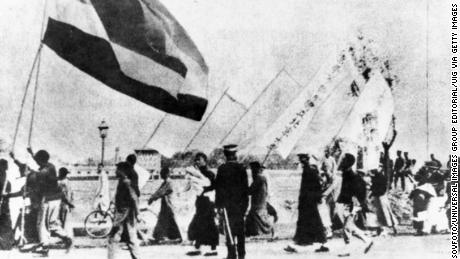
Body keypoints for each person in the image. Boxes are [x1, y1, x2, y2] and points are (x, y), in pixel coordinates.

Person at [11, 148, 72, 256]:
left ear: (41, 161)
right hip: (57, 199)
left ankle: (44, 246)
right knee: (53, 223)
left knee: (41, 224)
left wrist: (27, 193)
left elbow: (37, 189)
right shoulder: (51, 166)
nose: (36, 162)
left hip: (47, 200)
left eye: (37, 160)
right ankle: (66, 237)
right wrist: (29, 154)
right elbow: (38, 160)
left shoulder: (40, 174)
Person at [285, 153, 328, 253]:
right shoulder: (309, 170)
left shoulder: (308, 171)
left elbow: (312, 187)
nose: (300, 161)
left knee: (305, 223)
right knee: (314, 222)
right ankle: (322, 243)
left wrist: (312, 199)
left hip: (307, 203)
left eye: (301, 159)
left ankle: (295, 244)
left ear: (304, 160)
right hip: (309, 202)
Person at [215, 144, 249, 259]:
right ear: (235, 155)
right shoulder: (242, 168)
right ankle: (242, 254)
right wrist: (245, 205)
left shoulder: (222, 169)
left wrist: (218, 206)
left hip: (227, 205)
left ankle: (231, 254)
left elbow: (219, 189)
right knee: (240, 231)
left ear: (225, 155)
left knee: (229, 230)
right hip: (240, 205)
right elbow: (245, 189)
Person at [336, 153, 373, 257]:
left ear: (348, 163)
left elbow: (359, 191)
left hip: (352, 204)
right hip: (347, 203)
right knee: (350, 227)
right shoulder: (346, 174)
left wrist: (355, 204)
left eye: (343, 160)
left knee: (347, 227)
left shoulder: (352, 176)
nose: (341, 162)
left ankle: (347, 248)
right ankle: (367, 240)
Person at [187, 153, 219, 256]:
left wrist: (203, 190)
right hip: (201, 202)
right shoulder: (197, 173)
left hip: (207, 201)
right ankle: (198, 247)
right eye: (196, 160)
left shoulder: (209, 174)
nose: (197, 162)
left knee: (208, 223)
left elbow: (213, 187)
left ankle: (212, 249)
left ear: (204, 161)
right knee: (199, 223)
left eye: (199, 160)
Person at [108, 162, 141, 259]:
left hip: (124, 215)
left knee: (113, 238)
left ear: (122, 171)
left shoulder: (125, 182)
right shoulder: (122, 181)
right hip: (124, 215)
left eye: (117, 169)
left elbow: (134, 197)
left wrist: (138, 214)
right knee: (131, 239)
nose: (115, 171)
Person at [148, 167, 182, 242]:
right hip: (166, 204)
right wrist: (152, 197)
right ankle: (159, 236)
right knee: (163, 219)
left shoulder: (169, 182)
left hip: (169, 204)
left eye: (162, 173)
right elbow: (159, 191)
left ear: (165, 174)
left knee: (169, 219)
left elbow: (161, 192)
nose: (161, 175)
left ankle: (175, 237)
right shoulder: (166, 182)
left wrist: (152, 198)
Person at [245, 161, 274, 237]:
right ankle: (252, 231)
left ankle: (267, 230)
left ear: (255, 169)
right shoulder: (261, 177)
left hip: (258, 202)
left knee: (258, 217)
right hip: (260, 201)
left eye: (252, 169)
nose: (251, 171)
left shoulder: (259, 178)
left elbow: (250, 191)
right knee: (255, 216)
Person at [369, 169, 398, 235]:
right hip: (380, 197)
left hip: (380, 197)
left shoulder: (378, 179)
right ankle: (386, 228)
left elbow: (376, 188)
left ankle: (385, 228)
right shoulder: (380, 178)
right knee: (383, 213)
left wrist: (372, 194)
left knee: (382, 213)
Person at [0, 159, 14, 250]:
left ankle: (5, 245)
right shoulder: (7, 182)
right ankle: (6, 245)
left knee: (5, 224)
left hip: (4, 205)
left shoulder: (6, 182)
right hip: (4, 206)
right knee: (5, 224)